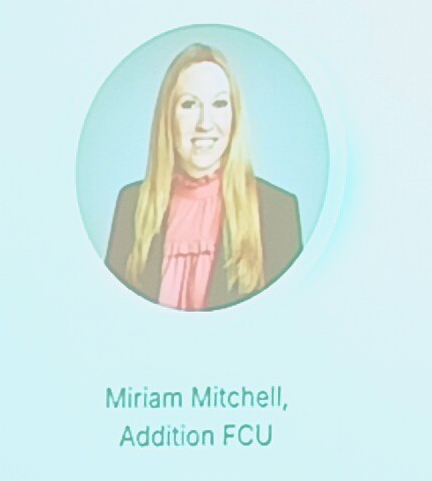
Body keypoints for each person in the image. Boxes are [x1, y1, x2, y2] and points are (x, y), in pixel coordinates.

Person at [101, 44, 303, 309]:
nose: (205, 123)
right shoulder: (131, 204)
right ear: (168, 118)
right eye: (189, 105)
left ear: (234, 116)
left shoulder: (277, 210)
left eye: (219, 103)